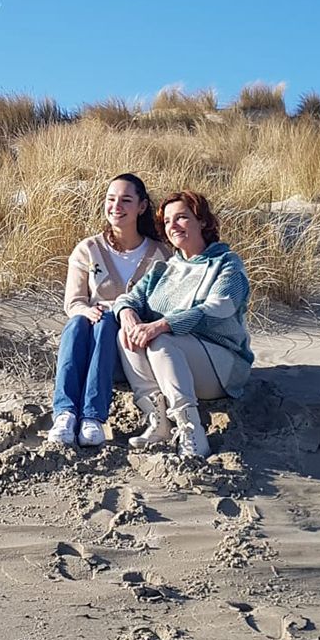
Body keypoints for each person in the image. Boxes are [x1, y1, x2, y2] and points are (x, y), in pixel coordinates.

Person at [113, 191, 254, 458]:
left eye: (181, 218)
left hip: (222, 365)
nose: (173, 226)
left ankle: (191, 431)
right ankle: (158, 421)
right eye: (167, 221)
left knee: (160, 338)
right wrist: (128, 313)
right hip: (172, 364)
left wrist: (162, 325)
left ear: (201, 221)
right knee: (127, 334)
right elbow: (128, 298)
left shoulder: (226, 264)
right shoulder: (163, 270)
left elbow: (219, 307)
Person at [48, 174, 171, 446]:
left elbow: (163, 308)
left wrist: (115, 311)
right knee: (77, 323)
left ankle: (93, 417)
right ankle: (65, 414)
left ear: (141, 207)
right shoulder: (88, 249)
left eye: (126, 200)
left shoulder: (161, 255)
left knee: (106, 322)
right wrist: (86, 310)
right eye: (111, 199)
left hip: (128, 351)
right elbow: (74, 301)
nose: (116, 206)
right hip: (88, 349)